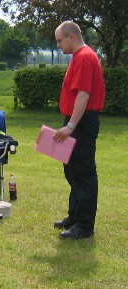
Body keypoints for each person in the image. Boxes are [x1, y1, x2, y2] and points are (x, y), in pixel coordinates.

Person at [53, 21, 105, 239]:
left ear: (71, 37)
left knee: (82, 172)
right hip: (76, 120)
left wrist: (71, 126)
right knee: (72, 170)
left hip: (81, 123)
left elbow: (83, 95)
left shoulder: (84, 56)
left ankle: (84, 226)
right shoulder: (79, 56)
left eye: (59, 41)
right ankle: (74, 216)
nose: (58, 45)